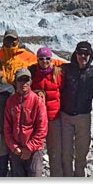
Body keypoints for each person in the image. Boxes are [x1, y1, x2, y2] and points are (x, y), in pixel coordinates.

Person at [60, 41, 93, 177]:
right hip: (65, 116)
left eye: (86, 53)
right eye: (80, 53)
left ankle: (80, 176)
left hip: (84, 116)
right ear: (75, 54)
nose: (83, 56)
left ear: (91, 55)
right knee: (66, 152)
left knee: (82, 152)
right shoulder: (65, 69)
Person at [4, 68, 48, 177]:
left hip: (34, 150)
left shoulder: (37, 101)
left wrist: (29, 148)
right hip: (16, 150)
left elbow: (42, 128)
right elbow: (7, 127)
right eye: (21, 80)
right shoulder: (11, 101)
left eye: (26, 80)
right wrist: (14, 147)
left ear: (30, 82)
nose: (24, 83)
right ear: (16, 82)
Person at [28, 47, 64, 177]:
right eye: (42, 58)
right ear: (37, 59)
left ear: (51, 59)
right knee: (36, 150)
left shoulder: (57, 73)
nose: (45, 61)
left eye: (47, 58)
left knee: (55, 152)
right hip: (37, 119)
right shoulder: (32, 73)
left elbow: (64, 92)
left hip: (54, 118)